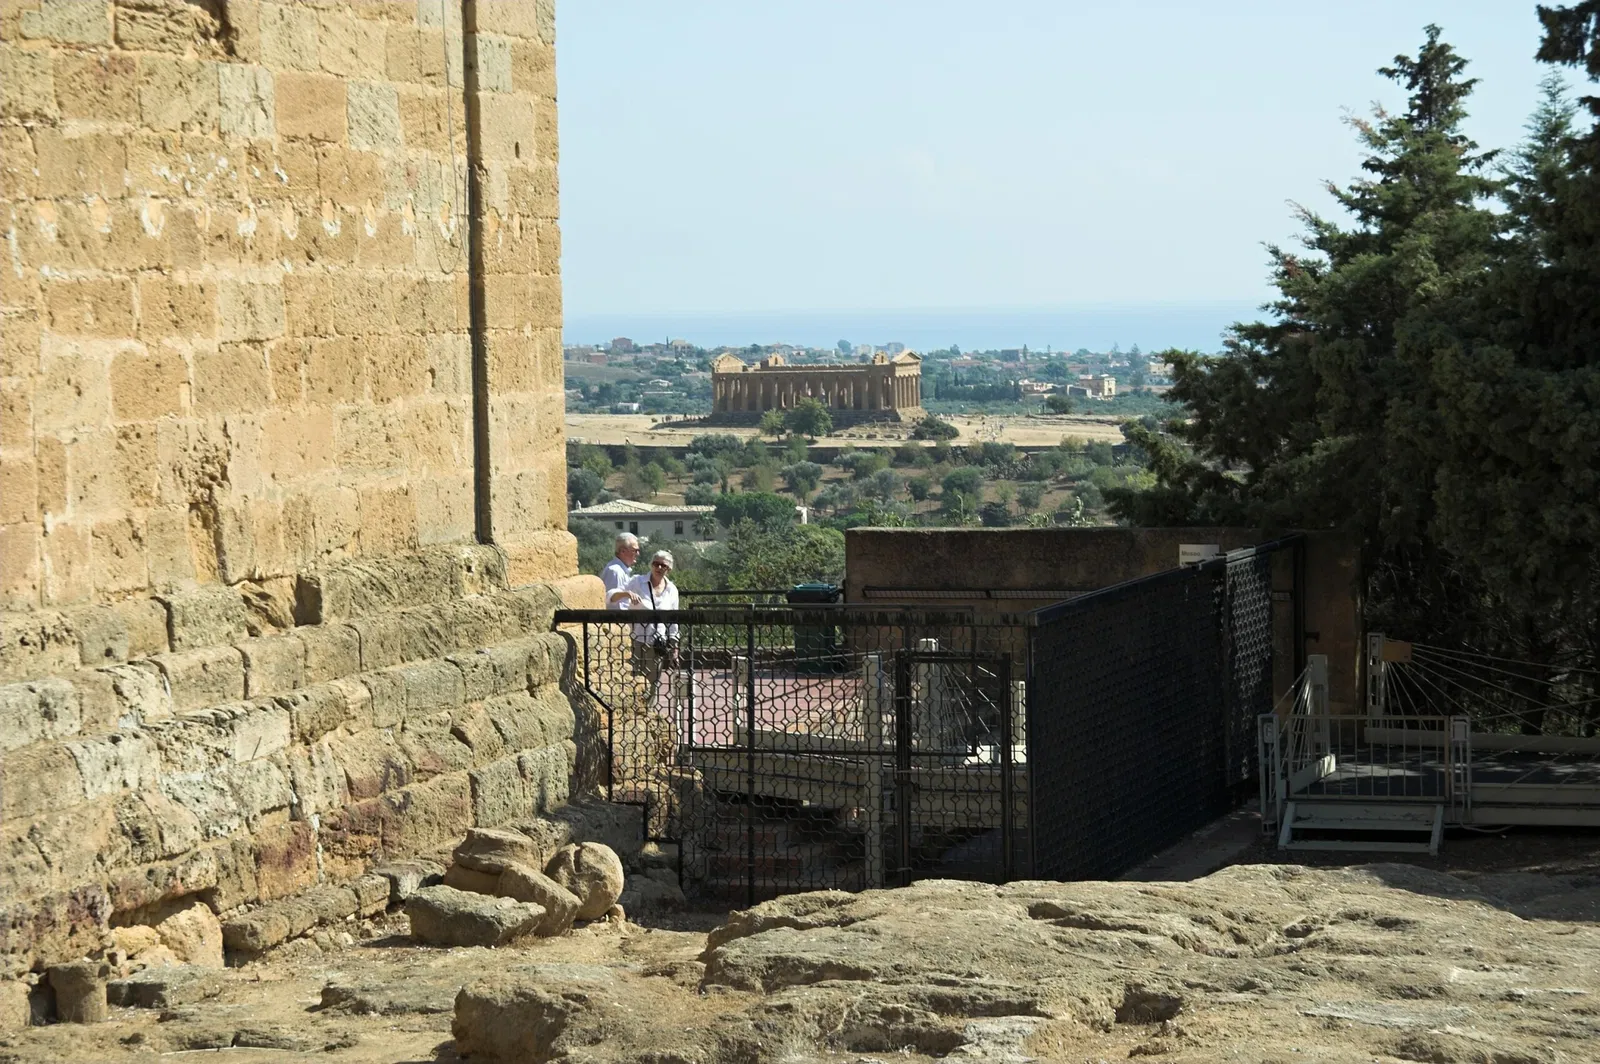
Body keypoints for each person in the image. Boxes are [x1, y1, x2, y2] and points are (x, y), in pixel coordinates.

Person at [618, 550, 680, 681]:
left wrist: (674, 650)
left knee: (652, 684)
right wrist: (627, 595)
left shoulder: (672, 590)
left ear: (668, 569)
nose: (658, 568)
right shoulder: (637, 582)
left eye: (662, 565)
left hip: (657, 644)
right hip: (636, 641)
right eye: (655, 564)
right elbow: (614, 596)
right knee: (632, 681)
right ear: (651, 565)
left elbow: (673, 621)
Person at [602, 532, 639, 609]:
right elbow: (615, 604)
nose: (638, 554)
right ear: (622, 551)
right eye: (634, 550)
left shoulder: (622, 570)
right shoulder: (615, 571)